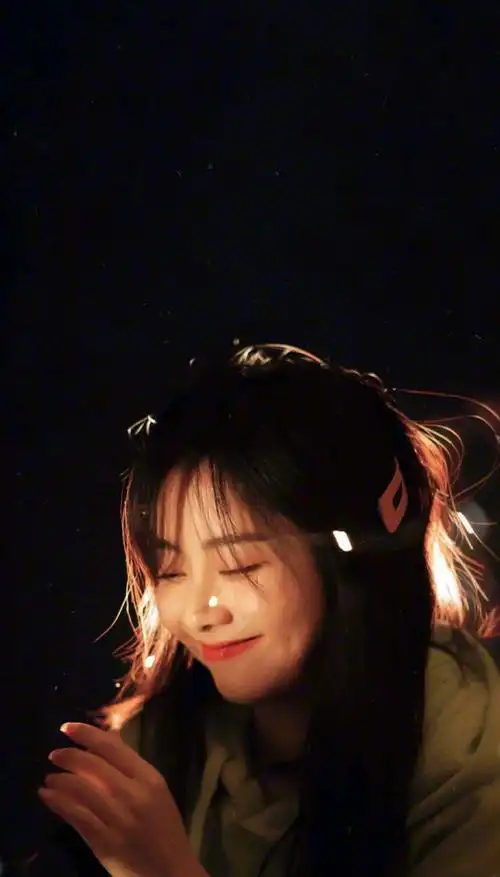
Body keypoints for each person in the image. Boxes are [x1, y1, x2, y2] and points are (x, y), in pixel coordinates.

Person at [33, 343, 500, 877]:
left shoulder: (472, 765)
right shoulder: (160, 749)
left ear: (352, 557)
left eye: (240, 566)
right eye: (171, 570)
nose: (201, 612)